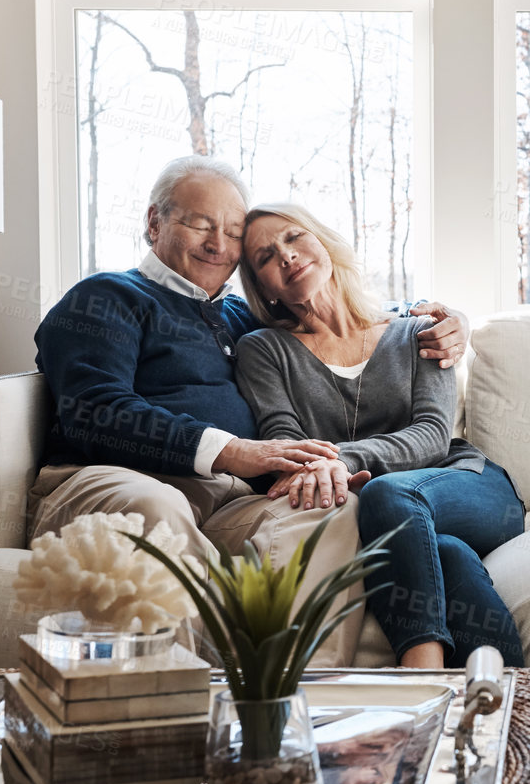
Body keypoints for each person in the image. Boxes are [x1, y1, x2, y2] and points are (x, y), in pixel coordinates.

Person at [29, 156, 470, 597]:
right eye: (200, 224)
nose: (217, 244)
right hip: (116, 481)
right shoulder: (106, 297)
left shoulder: (240, 318)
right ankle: (196, 666)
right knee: (156, 508)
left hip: (230, 500)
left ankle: (294, 669)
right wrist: (233, 451)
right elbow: (95, 412)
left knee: (328, 514)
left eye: (234, 233)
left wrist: (441, 316)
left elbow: (343, 319)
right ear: (154, 222)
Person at [232, 202, 526, 669]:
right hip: (388, 515)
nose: (285, 257)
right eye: (265, 257)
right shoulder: (263, 351)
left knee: (388, 494)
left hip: (465, 486)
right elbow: (286, 440)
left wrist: (344, 461)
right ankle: (513, 702)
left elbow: (431, 435)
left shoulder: (419, 332)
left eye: (293, 238)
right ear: (261, 287)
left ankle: (419, 677)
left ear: (323, 243)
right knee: (446, 555)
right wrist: (327, 467)